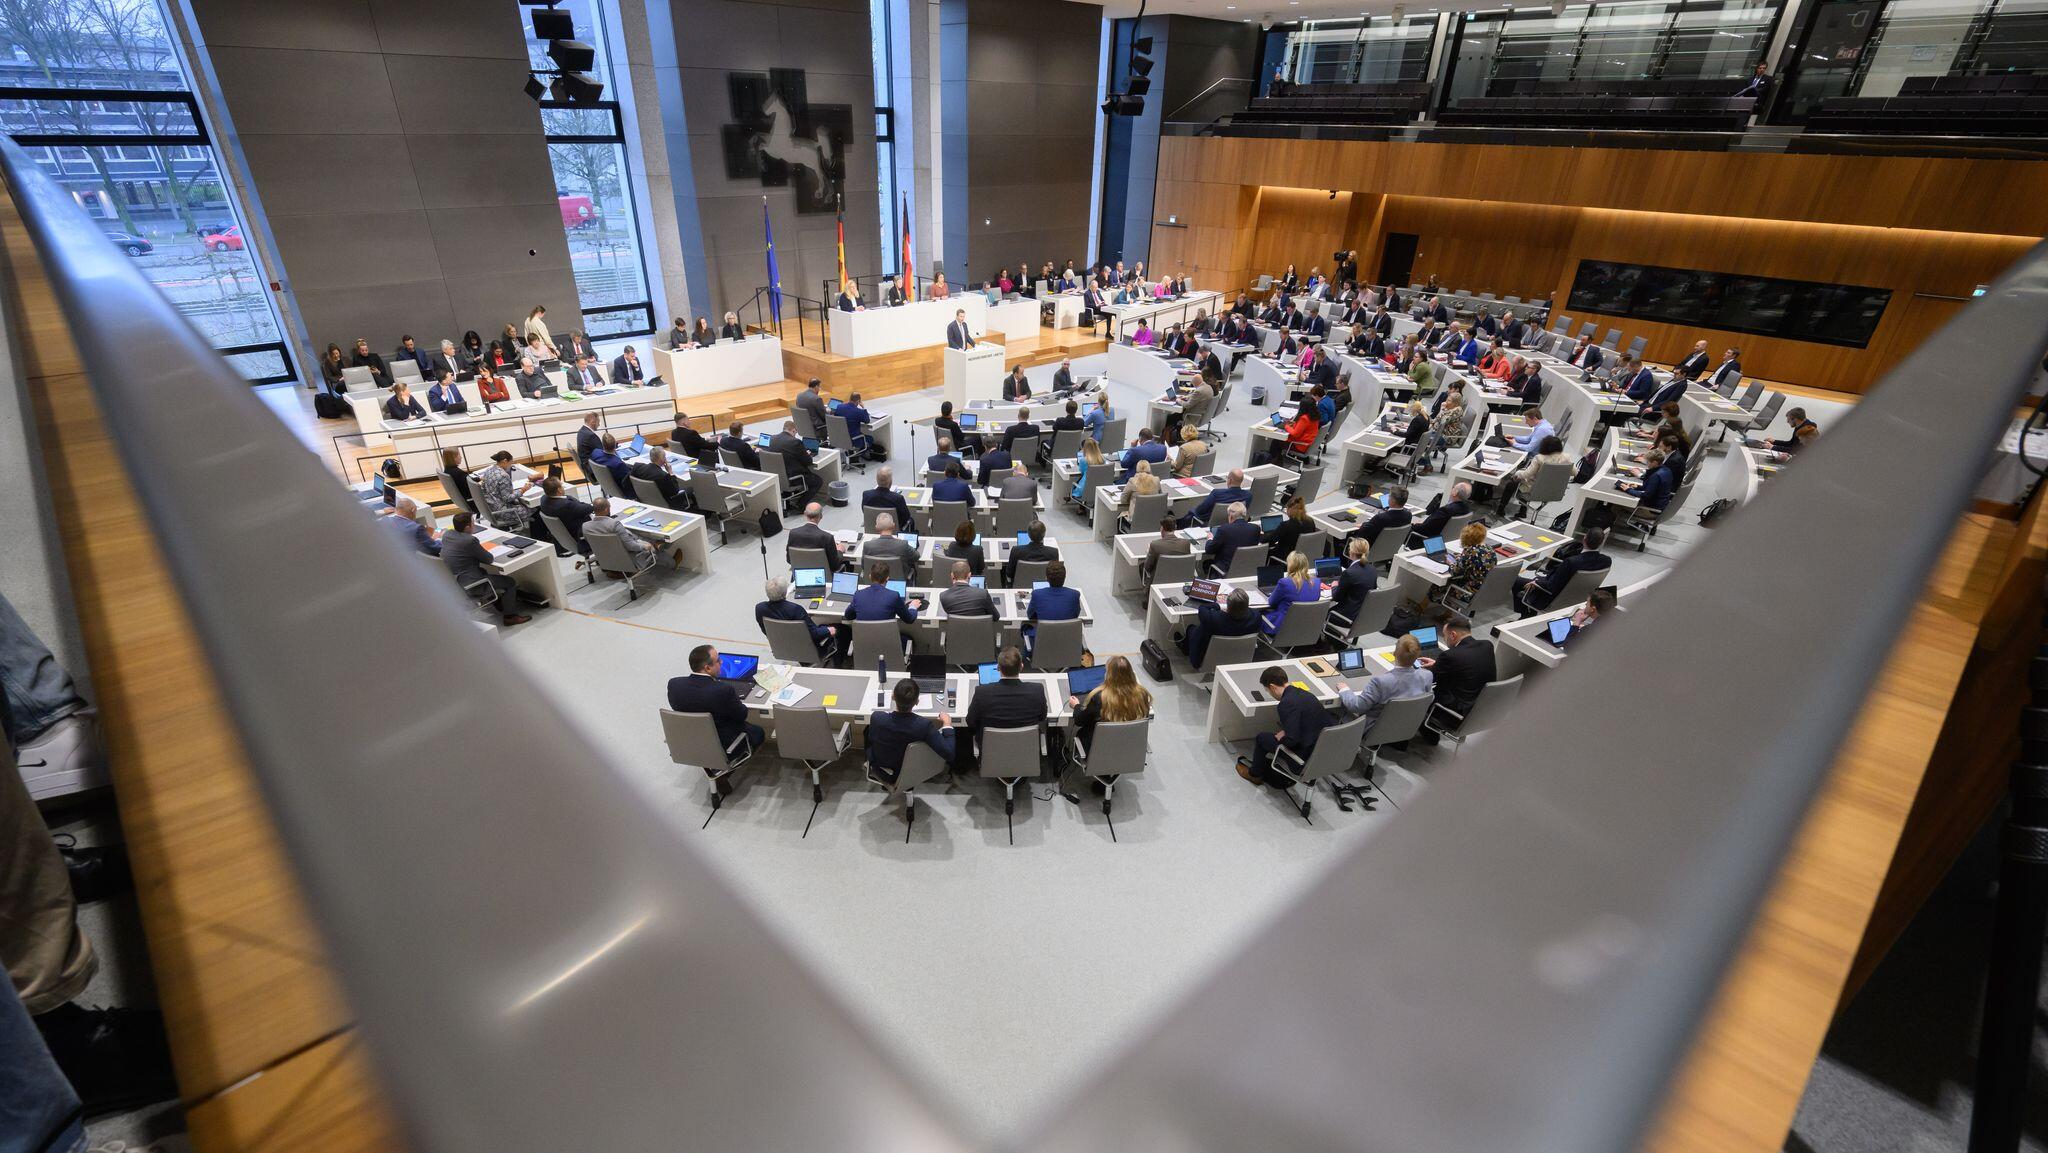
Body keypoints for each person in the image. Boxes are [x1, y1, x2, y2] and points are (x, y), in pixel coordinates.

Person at [667, 645, 764, 765]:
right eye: (718, 661)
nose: (722, 662)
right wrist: (735, 701)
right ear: (707, 668)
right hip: (723, 745)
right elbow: (742, 715)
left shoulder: (674, 685)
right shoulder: (723, 690)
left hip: (690, 741)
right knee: (759, 732)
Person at [1240, 665, 1333, 789]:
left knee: (1261, 738)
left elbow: (1291, 741)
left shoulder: (1286, 704)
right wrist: (1287, 730)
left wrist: (1282, 737)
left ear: (1273, 687)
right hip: (1321, 753)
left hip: (1302, 760)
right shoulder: (1306, 695)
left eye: (1267, 690)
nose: (1269, 693)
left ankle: (1254, 774)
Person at [959, 646, 1046, 771]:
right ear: (1021, 666)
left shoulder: (982, 692)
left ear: (998, 668)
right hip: (1026, 749)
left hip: (991, 749)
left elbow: (970, 722)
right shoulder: (1037, 690)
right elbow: (1042, 717)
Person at [442, 511, 530, 625]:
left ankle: (500, 603)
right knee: (510, 582)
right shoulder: (470, 541)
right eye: (473, 523)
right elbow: (488, 559)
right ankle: (510, 616)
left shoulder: (448, 535)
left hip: (456, 582)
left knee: (484, 570)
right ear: (467, 528)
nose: (474, 525)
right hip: (472, 584)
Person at [1336, 632, 1434, 733]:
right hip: (1406, 728)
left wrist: (1344, 690)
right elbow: (1428, 699)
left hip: (1374, 730)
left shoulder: (1380, 682)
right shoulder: (1427, 675)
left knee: (1336, 711)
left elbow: (1356, 706)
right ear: (1417, 656)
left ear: (1395, 653)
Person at [865, 677, 955, 786]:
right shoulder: (923, 726)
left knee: (867, 730)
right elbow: (949, 753)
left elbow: (871, 739)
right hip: (910, 771)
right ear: (917, 702)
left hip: (880, 767)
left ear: (893, 697)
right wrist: (947, 724)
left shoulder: (877, 717)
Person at [1515, 526, 1611, 615]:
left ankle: (1526, 614)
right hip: (1575, 596)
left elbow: (1551, 586)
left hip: (1550, 597)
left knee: (1515, 580)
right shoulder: (1606, 561)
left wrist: (1536, 582)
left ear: (1584, 539)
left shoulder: (1571, 562)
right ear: (1601, 542)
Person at [1069, 654, 1151, 756]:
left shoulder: (1099, 697)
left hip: (1098, 752)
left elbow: (1079, 721)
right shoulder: (1142, 694)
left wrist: (1076, 705)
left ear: (1109, 675)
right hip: (1129, 749)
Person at [1421, 614, 1494, 725]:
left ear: (1453, 635)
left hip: (1453, 712)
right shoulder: (1487, 645)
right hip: (1479, 707)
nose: (1444, 639)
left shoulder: (1450, 655)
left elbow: (1430, 679)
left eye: (1445, 636)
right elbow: (1467, 665)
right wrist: (1438, 664)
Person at [846, 561, 923, 651]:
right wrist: (913, 606)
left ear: (870, 576)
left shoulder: (858, 595)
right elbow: (909, 619)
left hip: (864, 646)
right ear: (887, 578)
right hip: (889, 646)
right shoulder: (893, 596)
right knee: (908, 639)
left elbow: (848, 616)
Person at [1496, 435, 1573, 516]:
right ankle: (1522, 511)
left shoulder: (1539, 458)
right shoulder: (1566, 457)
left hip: (1535, 491)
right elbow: (1574, 473)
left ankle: (1501, 508)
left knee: (1513, 482)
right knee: (1527, 481)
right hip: (1554, 492)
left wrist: (1517, 473)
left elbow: (1526, 474)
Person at [587, 496, 666, 574]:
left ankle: (654, 543)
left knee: (629, 533)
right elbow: (631, 546)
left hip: (606, 559)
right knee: (649, 545)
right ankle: (657, 546)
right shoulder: (615, 524)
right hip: (628, 560)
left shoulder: (586, 527)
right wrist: (644, 546)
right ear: (606, 509)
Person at [756, 576, 833, 650]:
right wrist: (829, 630)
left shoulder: (760, 608)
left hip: (780, 648)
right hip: (807, 649)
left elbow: (765, 631)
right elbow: (815, 635)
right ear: (784, 593)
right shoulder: (795, 609)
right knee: (836, 627)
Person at [1023, 560, 1080, 654]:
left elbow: (1030, 615)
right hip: (1067, 648)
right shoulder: (1074, 595)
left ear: (1047, 578)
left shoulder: (1037, 594)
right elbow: (1075, 615)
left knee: (1025, 627)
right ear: (1065, 577)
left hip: (1042, 648)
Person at [1261, 551, 1321, 635]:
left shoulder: (1284, 583)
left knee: (1256, 614)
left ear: (1290, 565)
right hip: (1306, 627)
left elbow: (1271, 602)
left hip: (1282, 628)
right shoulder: (1317, 582)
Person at [478, 450, 535, 532]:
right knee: (534, 508)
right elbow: (507, 498)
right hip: (502, 512)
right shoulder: (503, 475)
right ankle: (536, 533)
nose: (510, 466)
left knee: (520, 502)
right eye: (510, 463)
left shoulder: (489, 470)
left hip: (491, 508)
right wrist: (523, 490)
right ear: (505, 461)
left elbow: (485, 488)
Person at [537, 476, 593, 555]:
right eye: (562, 486)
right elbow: (589, 508)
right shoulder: (566, 505)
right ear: (559, 490)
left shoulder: (543, 499)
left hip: (565, 536)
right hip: (580, 536)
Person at [1329, 536, 1378, 625]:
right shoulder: (1373, 570)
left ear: (1351, 552)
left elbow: (1336, 598)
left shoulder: (1349, 573)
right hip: (1361, 616)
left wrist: (1334, 586)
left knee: (1320, 613)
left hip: (1345, 618)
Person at [768, 420, 820, 499]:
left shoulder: (772, 438)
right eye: (795, 432)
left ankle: (789, 500)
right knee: (818, 481)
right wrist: (806, 454)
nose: (795, 435)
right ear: (793, 430)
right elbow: (808, 462)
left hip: (778, 476)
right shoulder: (795, 442)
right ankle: (800, 504)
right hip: (793, 477)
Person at [1205, 503, 1263, 575]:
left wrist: (1210, 539)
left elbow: (1209, 550)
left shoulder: (1224, 529)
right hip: (1247, 568)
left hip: (1225, 570)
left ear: (1230, 516)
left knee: (1206, 563)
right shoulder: (1256, 528)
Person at [788, 502, 845, 573]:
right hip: (824, 577)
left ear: (805, 514)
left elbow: (789, 560)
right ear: (821, 516)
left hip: (799, 576)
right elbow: (834, 566)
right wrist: (839, 551)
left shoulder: (793, 533)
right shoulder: (827, 537)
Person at [1005, 519, 1059, 585]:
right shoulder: (1053, 553)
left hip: (1020, 587)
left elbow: (1009, 574)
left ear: (1028, 534)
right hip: (1043, 587)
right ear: (1044, 534)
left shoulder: (1016, 551)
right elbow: (1055, 575)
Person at [1623, 448, 1678, 512]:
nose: (1646, 463)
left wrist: (1628, 490)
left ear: (1654, 462)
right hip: (1661, 505)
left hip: (1651, 510)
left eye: (1647, 461)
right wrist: (1637, 487)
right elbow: (1653, 487)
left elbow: (1645, 496)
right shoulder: (1667, 469)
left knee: (1620, 506)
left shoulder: (1656, 476)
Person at [1141, 514, 1192, 583]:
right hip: (1180, 580)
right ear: (1175, 527)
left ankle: (1147, 588)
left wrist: (1148, 552)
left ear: (1162, 529)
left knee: (1142, 566)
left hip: (1159, 581)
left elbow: (1147, 567)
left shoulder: (1155, 545)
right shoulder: (1186, 543)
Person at [1265, 496, 1313, 563]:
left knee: (1266, 552)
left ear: (1290, 509)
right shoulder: (1310, 522)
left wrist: (1261, 536)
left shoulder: (1286, 525)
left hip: (1286, 558)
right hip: (1302, 556)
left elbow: (1269, 541)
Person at [838, 392, 878, 459]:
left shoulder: (839, 407)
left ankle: (852, 453)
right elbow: (867, 420)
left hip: (840, 437)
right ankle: (861, 454)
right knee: (870, 439)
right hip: (854, 440)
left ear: (850, 399)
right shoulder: (859, 411)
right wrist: (863, 407)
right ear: (858, 401)